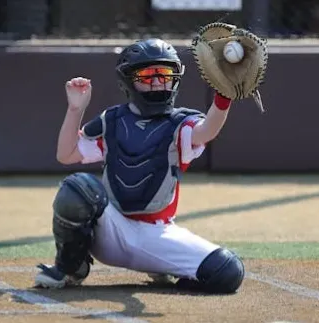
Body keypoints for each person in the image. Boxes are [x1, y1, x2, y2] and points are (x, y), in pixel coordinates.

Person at [35, 38, 244, 294]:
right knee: (78, 188)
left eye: (164, 74)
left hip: (156, 236)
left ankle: (163, 266)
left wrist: (224, 96)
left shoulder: (181, 123)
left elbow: (207, 130)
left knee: (228, 271)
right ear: (128, 80)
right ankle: (70, 268)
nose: (157, 82)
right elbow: (66, 154)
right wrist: (75, 109)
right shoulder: (112, 120)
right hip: (110, 232)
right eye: (147, 75)